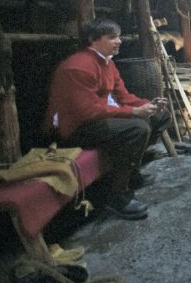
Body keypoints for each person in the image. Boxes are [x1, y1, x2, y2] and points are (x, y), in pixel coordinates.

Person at [46, 19, 170, 220]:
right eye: (112, 37)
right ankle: (116, 196)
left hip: (98, 118)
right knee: (137, 128)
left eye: (118, 36)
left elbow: (123, 97)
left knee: (159, 116)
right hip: (76, 128)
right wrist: (132, 113)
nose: (119, 41)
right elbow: (86, 111)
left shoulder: (108, 63)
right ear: (93, 40)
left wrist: (148, 104)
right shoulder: (78, 66)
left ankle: (131, 175)